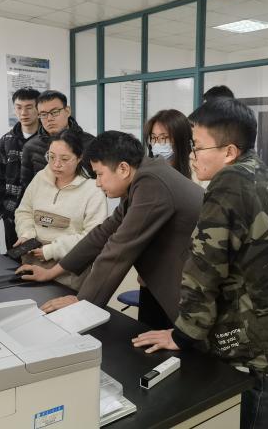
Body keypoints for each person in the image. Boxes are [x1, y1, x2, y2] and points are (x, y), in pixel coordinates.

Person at [132, 98, 268, 429]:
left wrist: (184, 335)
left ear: (229, 152)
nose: (191, 155)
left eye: (197, 146)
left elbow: (204, 269)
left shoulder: (229, 184)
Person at [17, 131, 204, 329]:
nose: (98, 183)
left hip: (201, 286)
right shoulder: (143, 178)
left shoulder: (152, 184)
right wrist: (51, 272)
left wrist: (83, 301)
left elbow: (119, 249)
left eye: (99, 174)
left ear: (123, 168)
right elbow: (102, 233)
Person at [13, 130, 107, 291]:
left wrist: (52, 250)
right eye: (51, 157)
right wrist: (27, 234)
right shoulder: (40, 178)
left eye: (64, 159)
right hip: (31, 262)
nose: (56, 164)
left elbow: (93, 236)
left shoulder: (93, 190)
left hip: (68, 272)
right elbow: (24, 211)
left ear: (79, 158)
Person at [19, 89, 95, 198]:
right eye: (43, 114)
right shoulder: (30, 146)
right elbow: (27, 188)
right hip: (44, 205)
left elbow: (99, 184)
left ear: (67, 111)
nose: (49, 118)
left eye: (54, 112)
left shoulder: (90, 143)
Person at [0, 87, 40, 250]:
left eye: (29, 107)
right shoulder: (5, 141)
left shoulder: (49, 141)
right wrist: (2, 210)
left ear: (38, 109)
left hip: (40, 214)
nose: (23, 113)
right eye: (19, 107)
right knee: (13, 258)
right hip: (11, 212)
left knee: (39, 259)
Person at [144, 109, 192, 179]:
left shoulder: (197, 173)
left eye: (163, 138)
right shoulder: (147, 174)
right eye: (153, 137)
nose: (157, 143)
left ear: (180, 139)